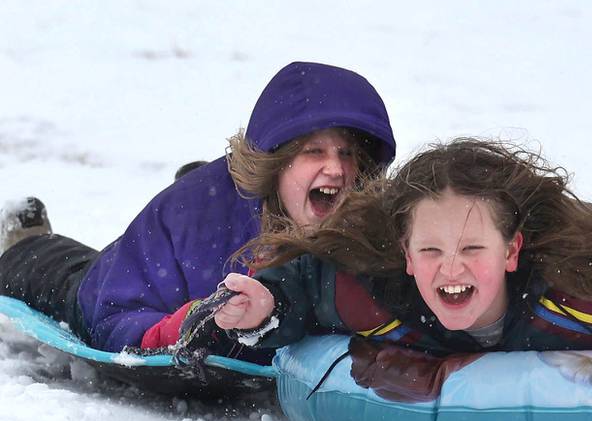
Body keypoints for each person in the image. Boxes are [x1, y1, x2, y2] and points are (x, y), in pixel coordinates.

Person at [199, 138, 592, 361]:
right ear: (405, 255)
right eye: (431, 249)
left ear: (511, 251)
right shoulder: (376, 288)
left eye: (471, 248)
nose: (451, 268)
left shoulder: (584, 266)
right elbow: (303, 286)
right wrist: (267, 306)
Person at [0, 61, 396, 364]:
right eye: (315, 152)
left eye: (347, 154)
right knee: (65, 276)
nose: (337, 169)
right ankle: (25, 236)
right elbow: (112, 313)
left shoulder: (360, 226)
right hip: (116, 281)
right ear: (276, 164)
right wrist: (186, 324)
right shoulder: (195, 220)